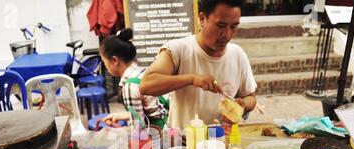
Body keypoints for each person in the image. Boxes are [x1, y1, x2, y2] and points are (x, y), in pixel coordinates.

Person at [140, 0, 257, 129]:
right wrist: (192, 79)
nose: (227, 34)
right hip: (183, 142)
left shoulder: (237, 54)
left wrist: (243, 105)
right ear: (202, 19)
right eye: (220, 25)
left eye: (233, 26)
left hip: (222, 141)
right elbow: (146, 85)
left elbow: (250, 96)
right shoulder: (178, 50)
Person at [100, 28, 168, 128]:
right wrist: (122, 116)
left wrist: (119, 129)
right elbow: (152, 110)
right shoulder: (143, 71)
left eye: (105, 62)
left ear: (114, 60)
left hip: (159, 134)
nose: (105, 66)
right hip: (169, 125)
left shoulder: (130, 86)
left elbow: (138, 129)